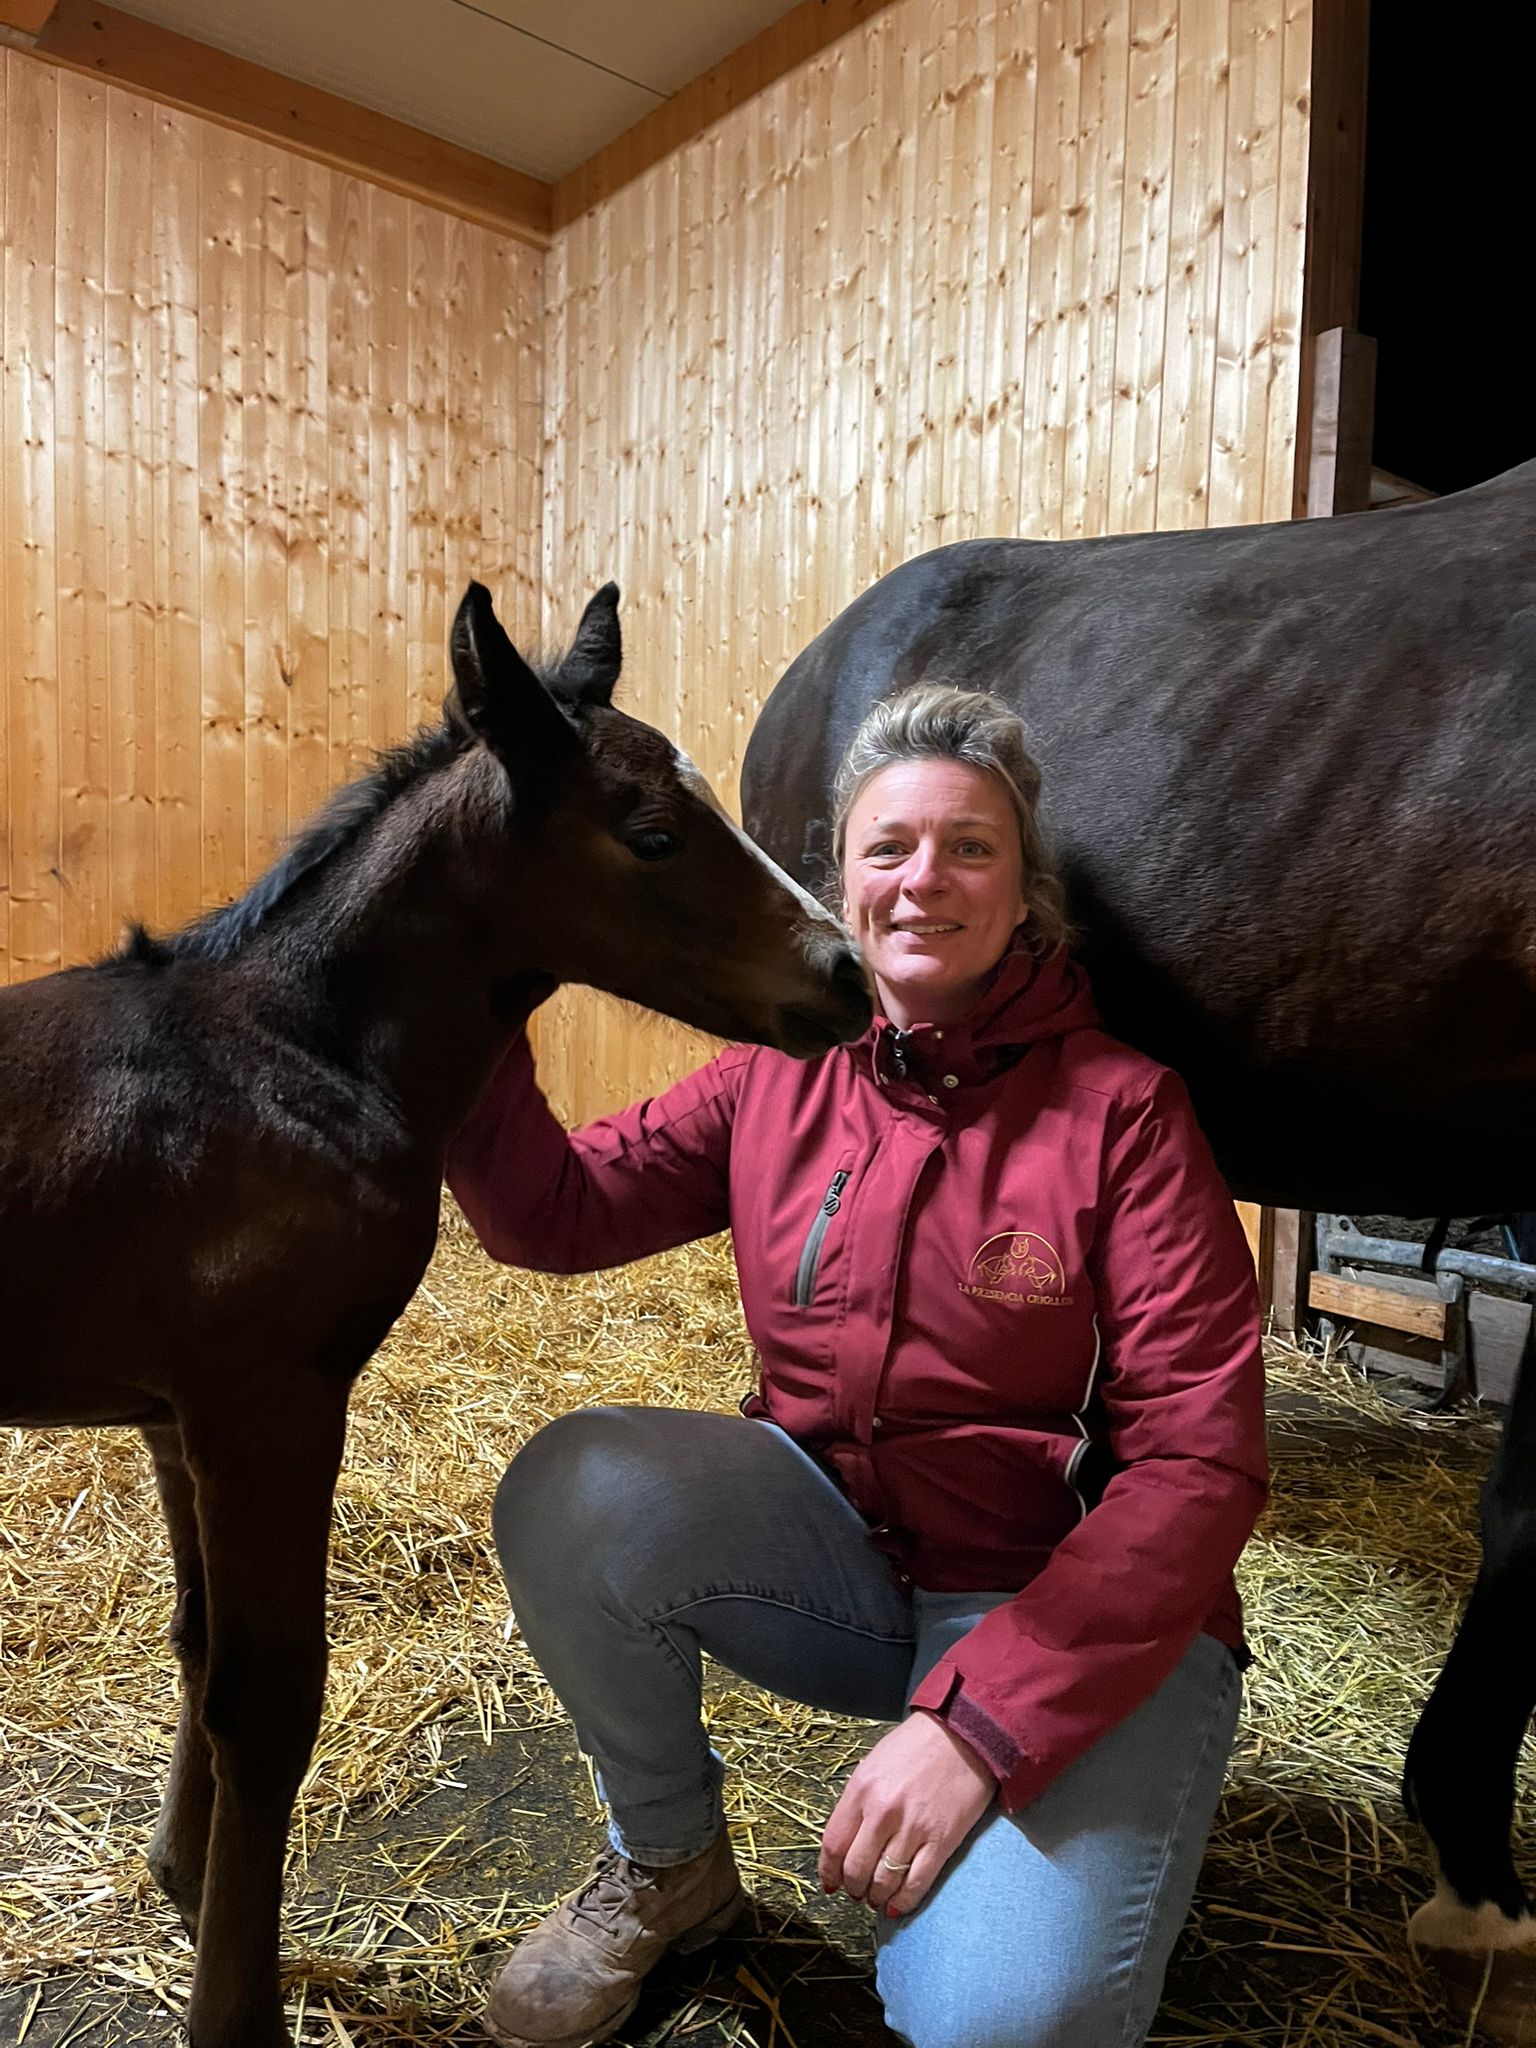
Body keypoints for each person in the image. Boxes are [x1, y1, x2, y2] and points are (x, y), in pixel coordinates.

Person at [447, 685, 1267, 2048]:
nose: (923, 881)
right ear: (841, 881)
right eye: (888, 849)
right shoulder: (784, 1071)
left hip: (1066, 1607)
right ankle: (670, 1864)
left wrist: (979, 1730)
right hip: (851, 1565)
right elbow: (555, 1215)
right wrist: (471, 1005)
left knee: (1007, 2022)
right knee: (575, 1485)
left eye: (969, 848)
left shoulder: (1124, 1114)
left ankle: (1012, 1818)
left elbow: (1201, 1460)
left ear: (1025, 892)